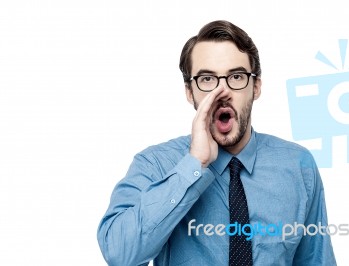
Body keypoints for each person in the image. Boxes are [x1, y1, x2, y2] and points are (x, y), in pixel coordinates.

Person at [97, 20, 336, 266]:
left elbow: (317, 260)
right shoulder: (155, 164)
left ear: (256, 86)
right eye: (207, 79)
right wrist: (194, 165)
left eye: (236, 76)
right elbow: (119, 254)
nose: (223, 92)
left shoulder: (298, 165)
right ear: (190, 91)